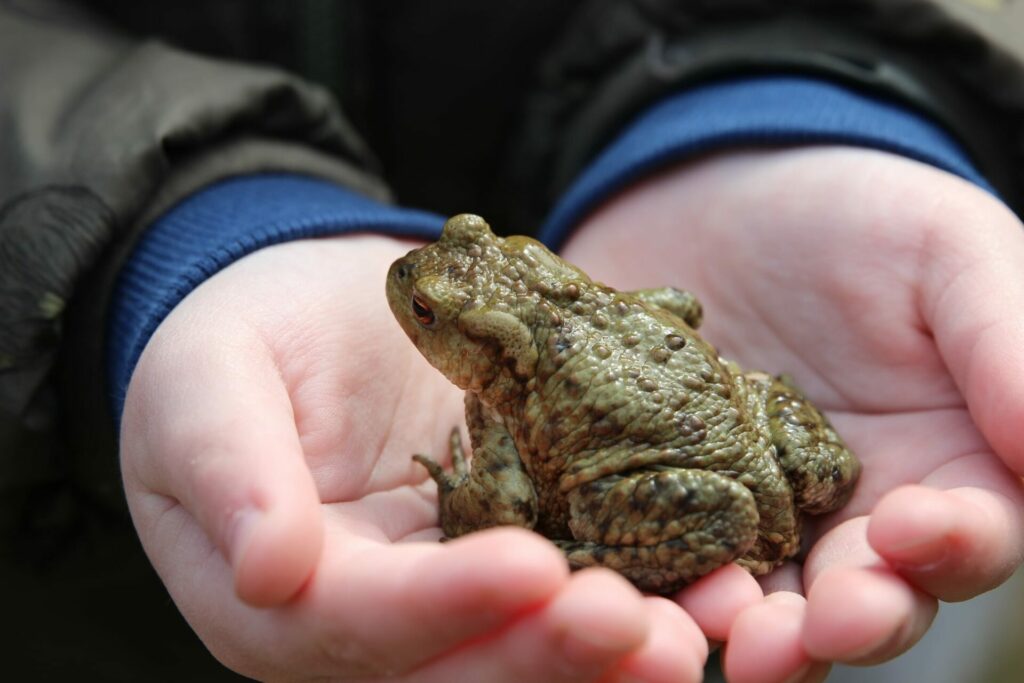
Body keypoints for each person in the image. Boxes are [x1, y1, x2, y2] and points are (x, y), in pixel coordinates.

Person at [3, 1, 1024, 681]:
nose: (416, 298)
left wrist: (756, 115)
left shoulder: (502, 398)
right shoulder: (554, 333)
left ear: (487, 347)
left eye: (444, 317)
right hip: (727, 424)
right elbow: (676, 305)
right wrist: (177, 244)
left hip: (688, 471)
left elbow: (497, 504)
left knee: (580, 523)